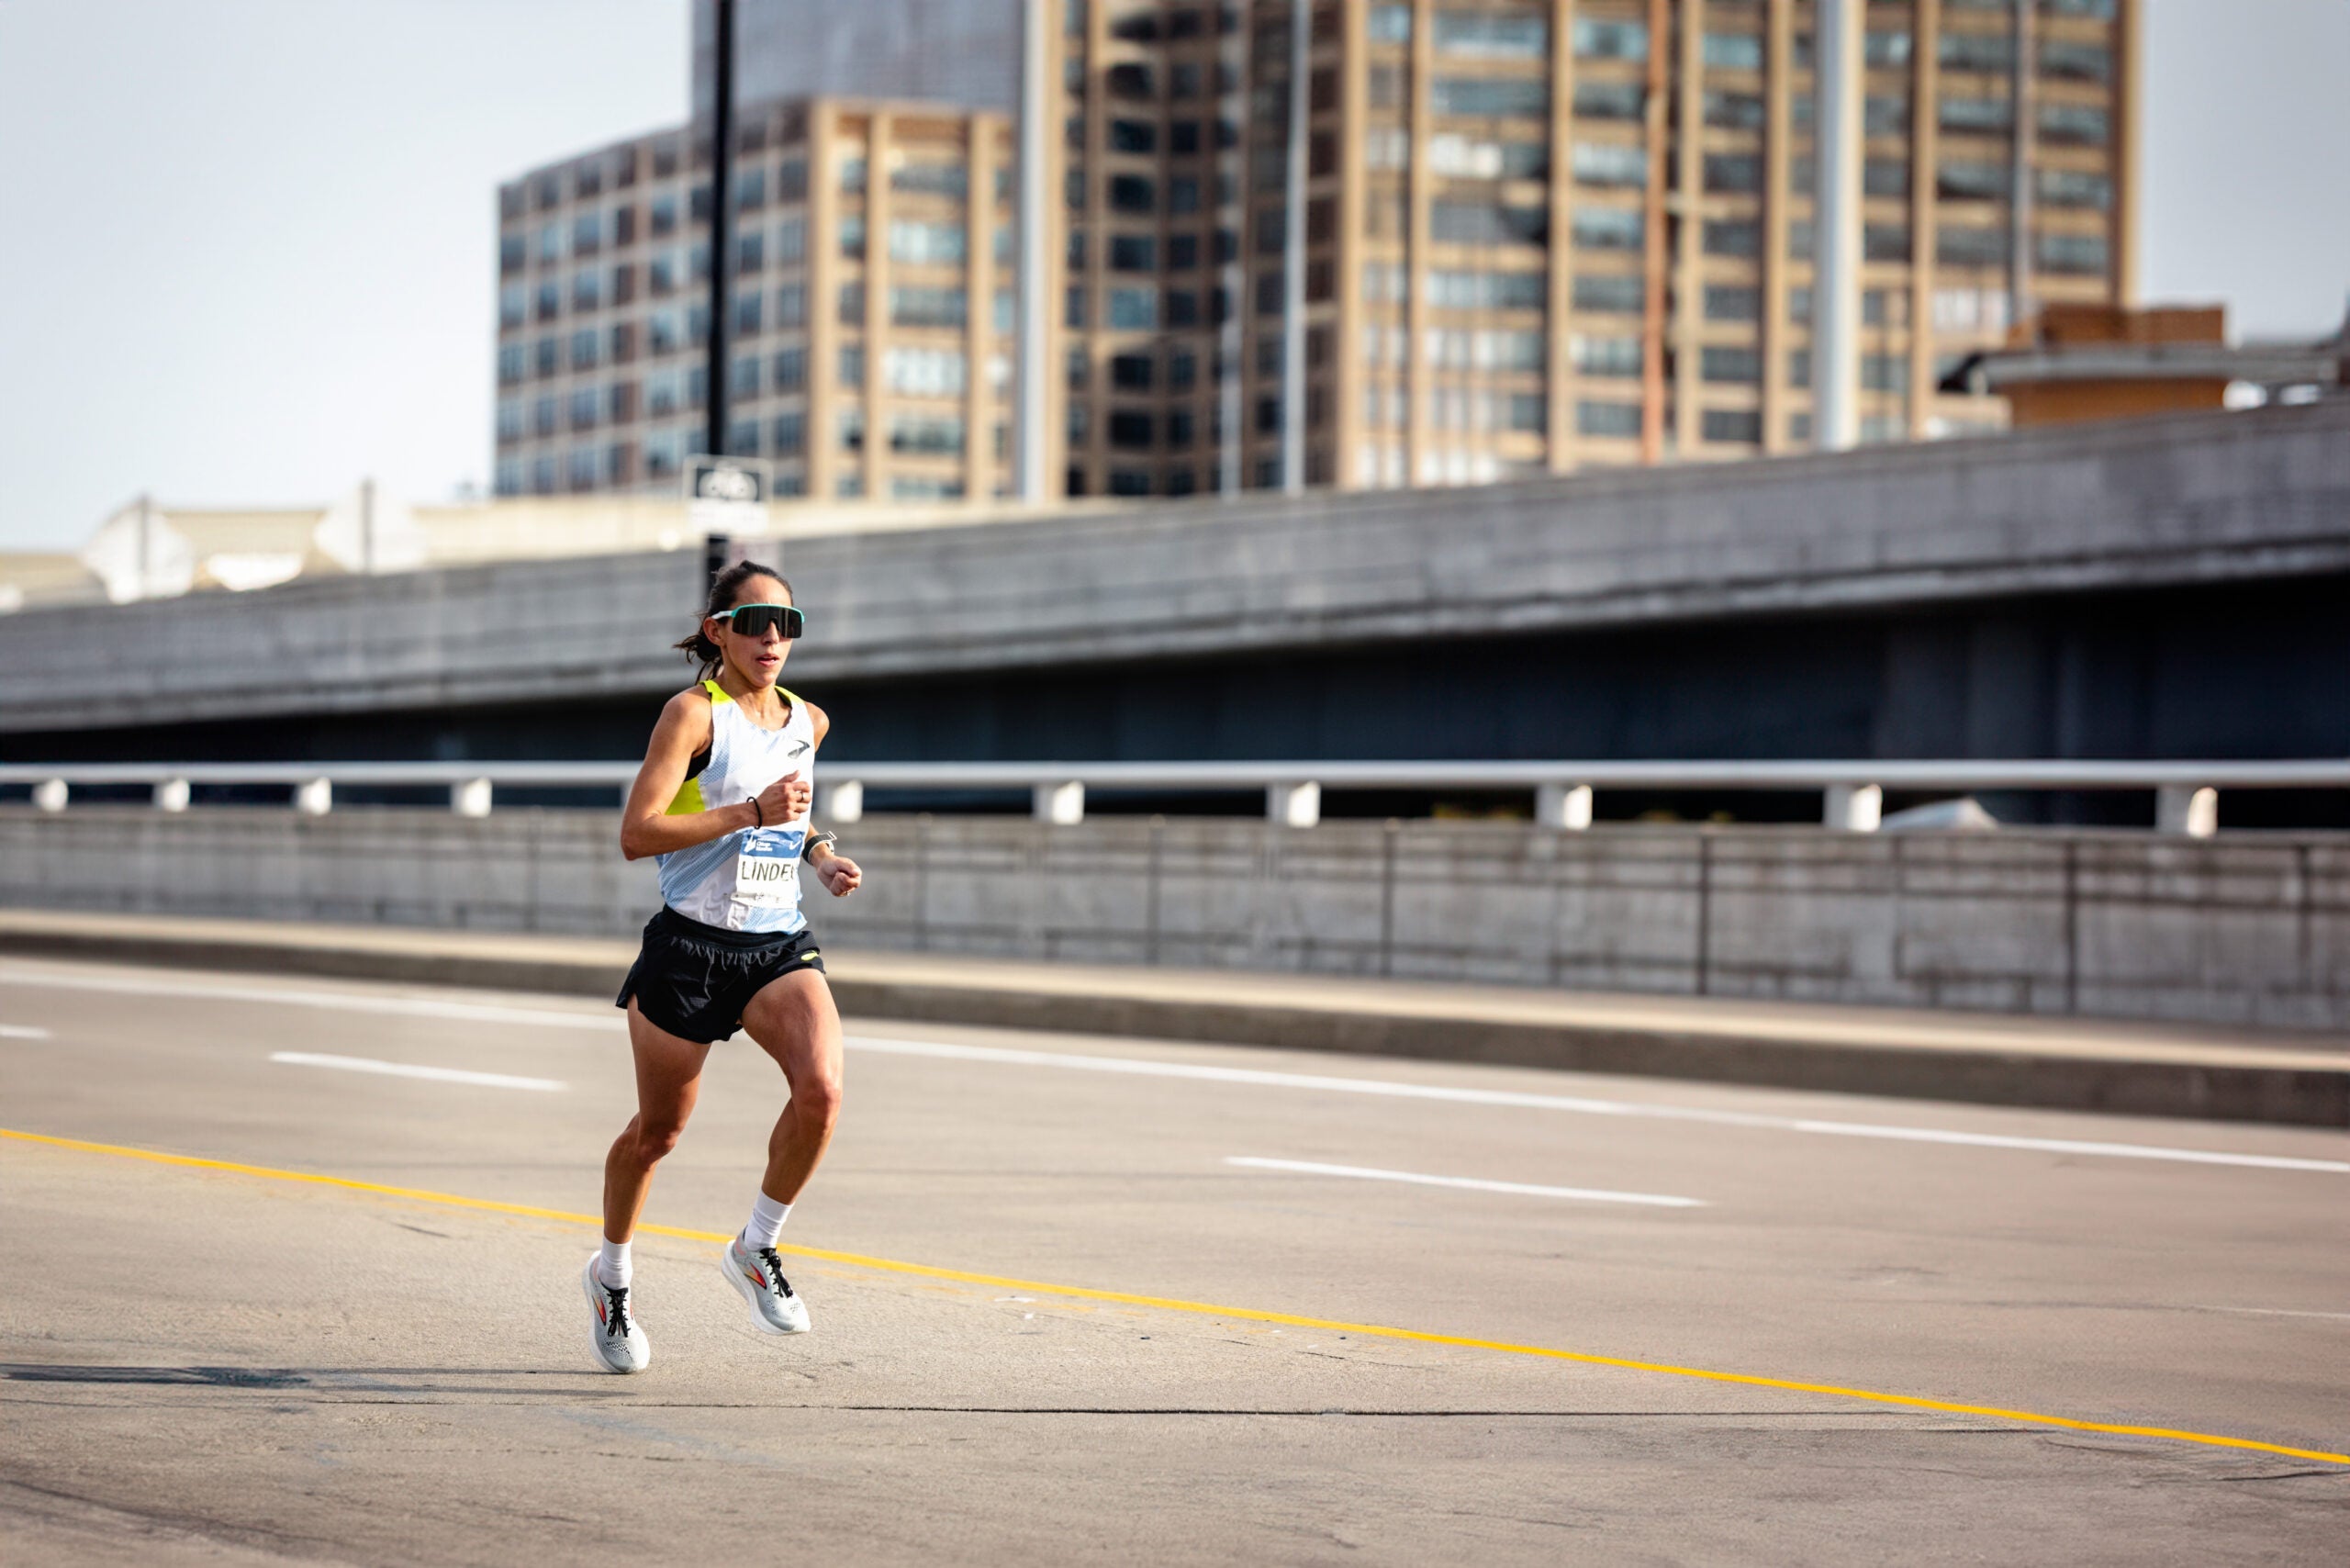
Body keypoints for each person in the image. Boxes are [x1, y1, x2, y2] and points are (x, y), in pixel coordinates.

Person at [581, 561, 863, 1374]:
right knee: (658, 1134)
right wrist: (747, 813)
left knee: (823, 1089)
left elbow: (791, 816)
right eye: (753, 622)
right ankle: (611, 1277)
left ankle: (757, 1246)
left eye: (786, 624)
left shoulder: (809, 721)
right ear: (718, 632)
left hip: (776, 942)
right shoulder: (691, 715)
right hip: (690, 947)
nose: (772, 639)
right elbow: (638, 834)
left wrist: (822, 855)